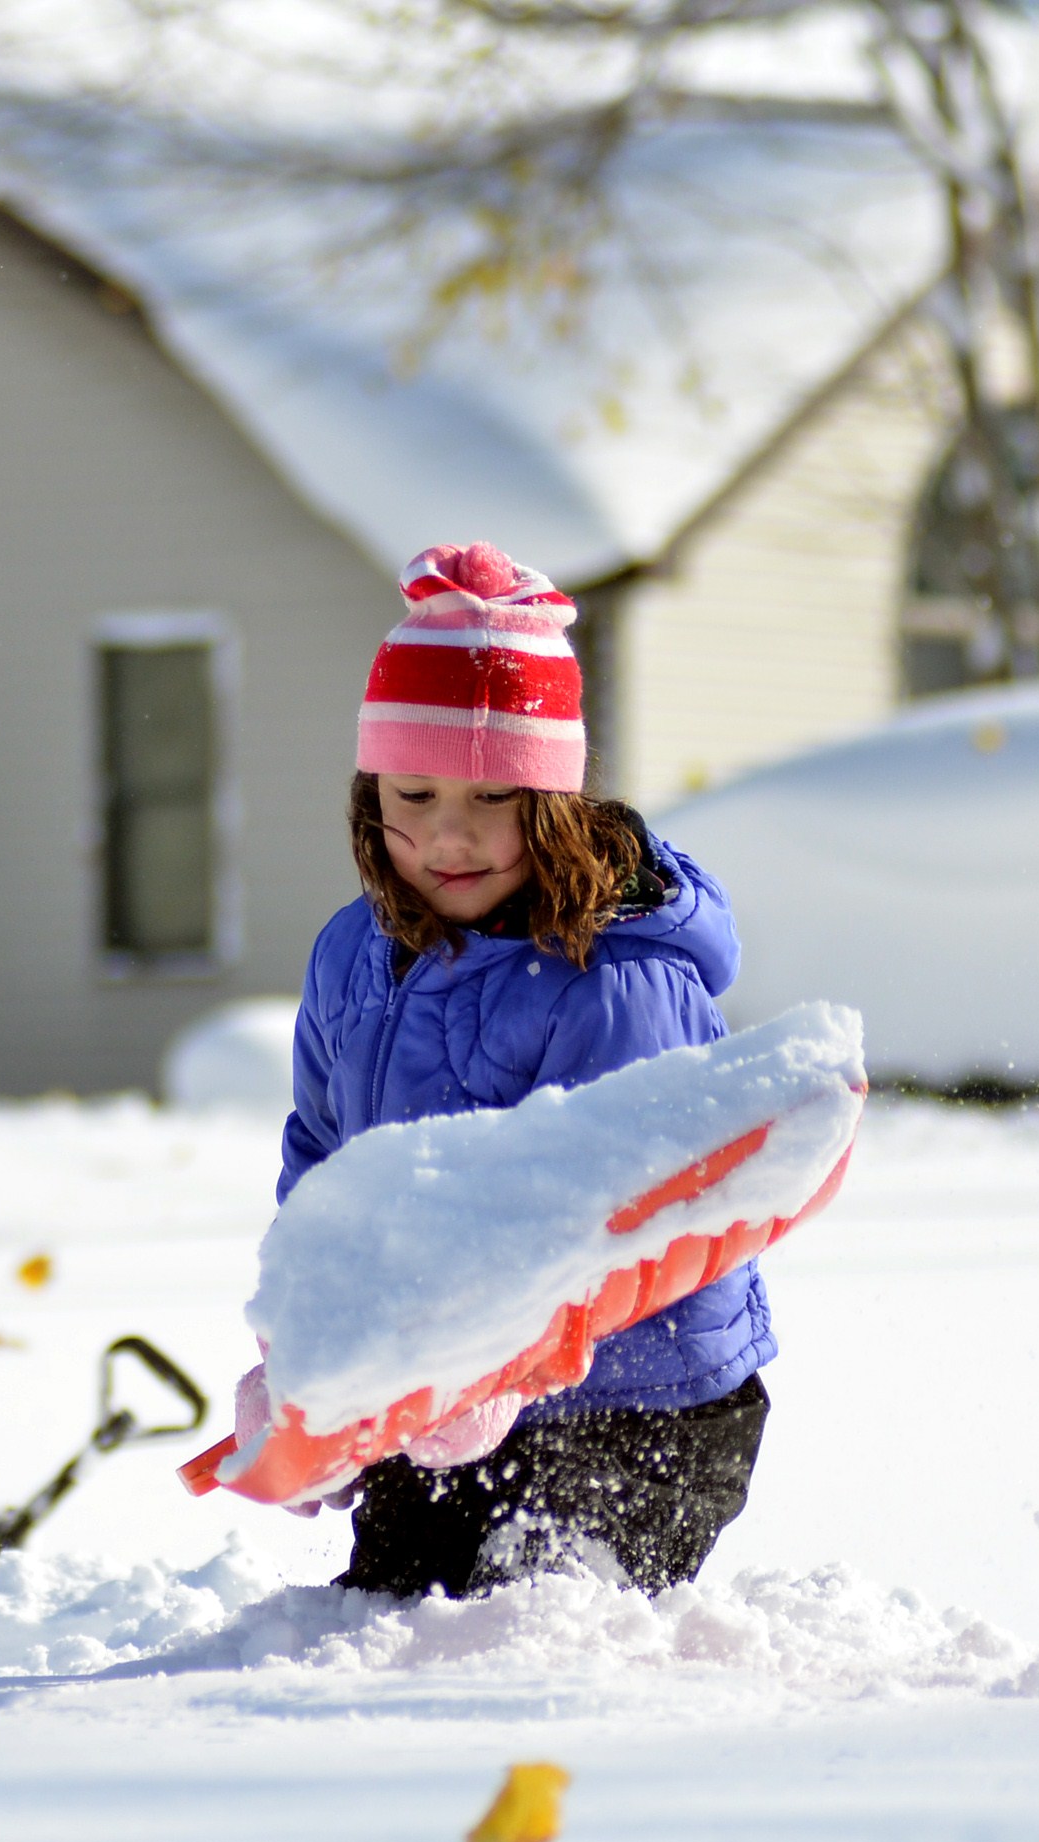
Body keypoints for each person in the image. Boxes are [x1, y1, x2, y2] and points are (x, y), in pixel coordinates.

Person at [284, 540, 773, 1601]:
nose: (447, 836)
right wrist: (316, 1353)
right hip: (445, 1394)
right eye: (413, 793)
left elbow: (616, 1206)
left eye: (492, 798)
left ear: (550, 801)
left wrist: (501, 1352)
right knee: (387, 1612)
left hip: (643, 1401)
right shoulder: (351, 957)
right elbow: (326, 1163)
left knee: (532, 1616)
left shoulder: (613, 980)